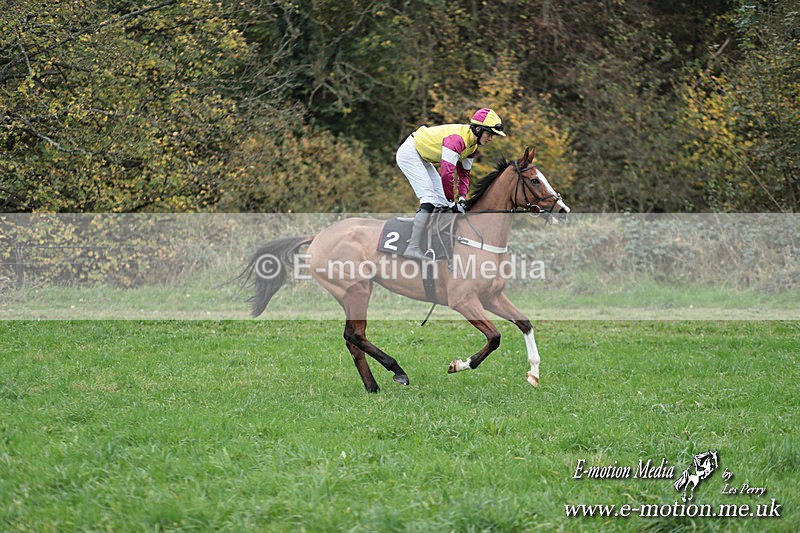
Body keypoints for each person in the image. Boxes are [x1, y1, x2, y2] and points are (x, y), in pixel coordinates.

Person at [395, 108, 506, 260]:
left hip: (424, 157)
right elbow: (447, 173)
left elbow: (464, 174)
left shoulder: (472, 146)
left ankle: (428, 234)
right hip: (411, 153)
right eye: (490, 134)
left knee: (442, 202)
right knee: (430, 199)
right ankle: (412, 247)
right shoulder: (457, 140)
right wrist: (451, 202)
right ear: (478, 129)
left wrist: (461, 198)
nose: (491, 138)